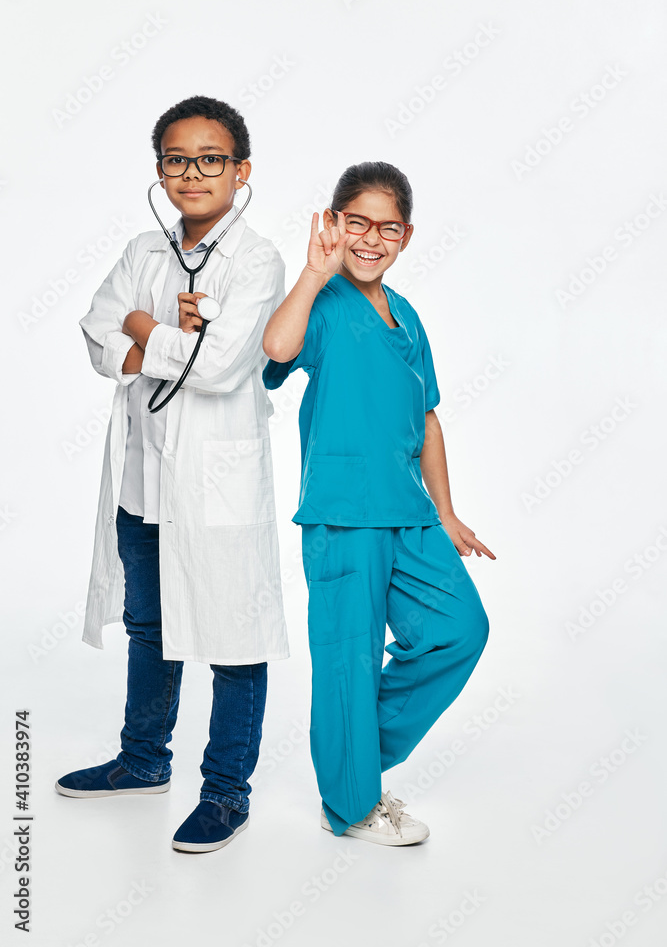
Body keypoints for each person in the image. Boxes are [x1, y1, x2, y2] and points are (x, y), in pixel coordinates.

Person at [55, 95, 289, 853]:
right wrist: (160, 335)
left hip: (217, 485)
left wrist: (142, 327)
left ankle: (225, 794)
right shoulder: (141, 252)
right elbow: (96, 333)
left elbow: (217, 369)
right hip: (141, 480)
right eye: (176, 159)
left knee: (233, 637)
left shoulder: (257, 260)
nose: (193, 173)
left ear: (241, 170)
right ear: (159, 171)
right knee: (148, 627)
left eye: (210, 159)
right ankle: (142, 761)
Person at [262, 161, 495, 846]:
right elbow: (276, 349)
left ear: (406, 236)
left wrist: (446, 512)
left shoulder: (407, 315)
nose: (371, 239)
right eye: (356, 223)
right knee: (348, 659)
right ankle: (352, 804)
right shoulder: (326, 301)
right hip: (342, 515)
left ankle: (352, 762)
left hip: (410, 513)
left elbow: (427, 419)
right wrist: (314, 273)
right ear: (335, 224)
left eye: (387, 228)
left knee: (460, 629)